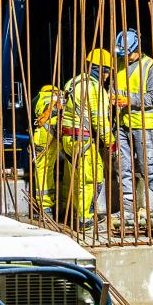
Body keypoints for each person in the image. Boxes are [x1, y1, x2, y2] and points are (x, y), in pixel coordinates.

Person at [111, 29, 153, 233]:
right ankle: (128, 209)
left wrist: (131, 100)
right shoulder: (120, 65)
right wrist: (112, 98)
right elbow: (113, 89)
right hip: (123, 124)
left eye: (126, 54)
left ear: (136, 50)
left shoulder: (151, 68)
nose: (124, 58)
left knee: (148, 168)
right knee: (123, 167)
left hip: (145, 125)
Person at [58, 49, 116, 230]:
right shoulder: (94, 88)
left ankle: (76, 214)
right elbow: (100, 121)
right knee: (92, 179)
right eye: (106, 72)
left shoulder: (72, 82)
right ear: (101, 70)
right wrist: (111, 143)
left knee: (76, 178)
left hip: (67, 139)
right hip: (82, 140)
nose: (107, 77)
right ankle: (85, 219)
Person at [29, 83, 64, 220]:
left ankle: (46, 209)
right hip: (63, 129)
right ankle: (67, 205)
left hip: (45, 131)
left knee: (43, 169)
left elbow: (34, 112)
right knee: (68, 167)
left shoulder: (39, 97)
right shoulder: (63, 97)